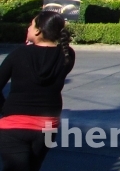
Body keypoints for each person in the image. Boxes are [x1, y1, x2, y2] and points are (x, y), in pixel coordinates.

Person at [0, 11, 75, 171]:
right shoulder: (67, 55)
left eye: (31, 25)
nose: (28, 28)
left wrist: (4, 108)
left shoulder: (19, 54)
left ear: (38, 30)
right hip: (47, 126)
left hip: (14, 124)